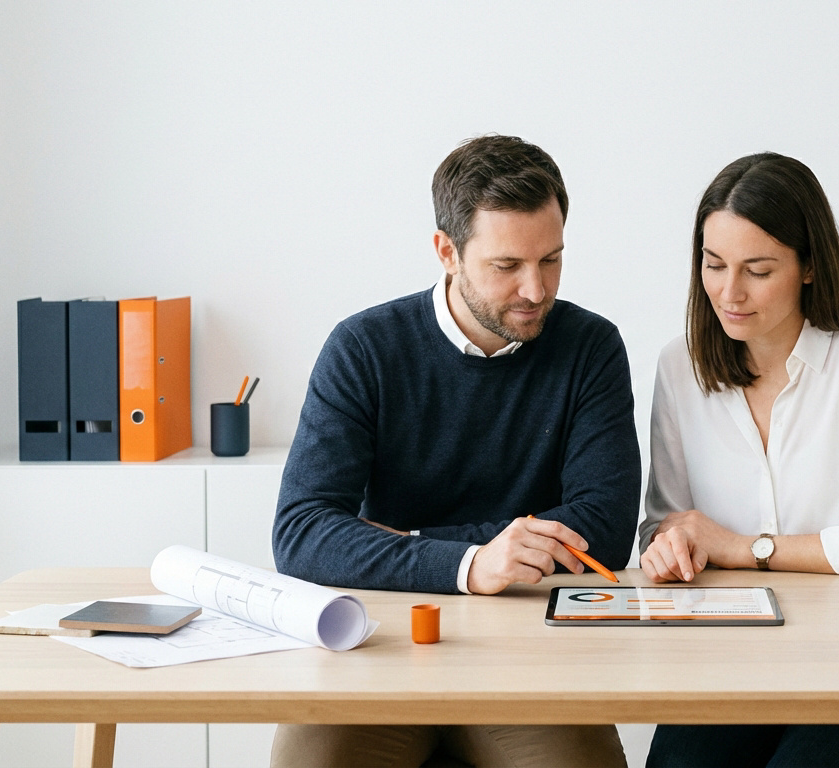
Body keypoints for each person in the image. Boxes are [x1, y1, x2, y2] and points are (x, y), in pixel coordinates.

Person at [270, 135, 639, 768]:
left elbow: (603, 531)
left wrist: (402, 539)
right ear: (447, 252)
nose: (535, 288)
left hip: (530, 656)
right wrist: (471, 562)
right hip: (380, 645)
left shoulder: (591, 348)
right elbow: (301, 533)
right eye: (507, 266)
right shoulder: (363, 348)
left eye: (552, 259)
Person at [638, 153, 839, 768]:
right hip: (732, 667)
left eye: (758, 270)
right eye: (714, 264)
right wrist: (665, 548)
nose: (730, 292)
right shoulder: (681, 366)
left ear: (810, 266)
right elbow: (665, 522)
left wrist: (740, 547)